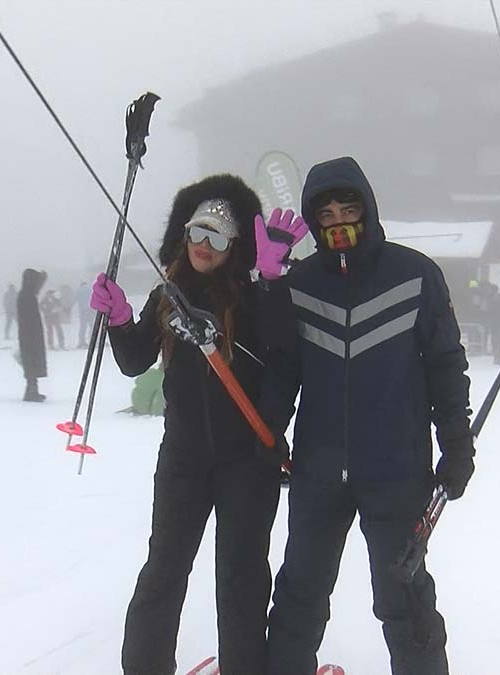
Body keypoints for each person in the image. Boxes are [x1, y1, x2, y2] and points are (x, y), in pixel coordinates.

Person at [265, 157, 475, 674]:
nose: (338, 221)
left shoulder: (415, 274)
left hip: (397, 472)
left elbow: (446, 365)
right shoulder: (300, 284)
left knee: (403, 595)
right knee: (300, 592)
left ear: (368, 208)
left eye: (348, 208)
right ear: (314, 222)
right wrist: (267, 435)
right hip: (318, 471)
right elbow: (280, 371)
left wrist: (457, 443)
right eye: (327, 213)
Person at [91, 174, 302, 674]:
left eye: (219, 238)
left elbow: (286, 350)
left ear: (235, 246)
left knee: (241, 578)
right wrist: (120, 319)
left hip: (248, 461)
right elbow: (134, 360)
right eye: (198, 234)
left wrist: (273, 283)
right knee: (163, 571)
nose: (205, 247)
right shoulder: (170, 294)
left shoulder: (250, 299)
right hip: (183, 459)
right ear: (184, 236)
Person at [17, 268, 48, 402]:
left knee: (32, 361)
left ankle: (32, 389)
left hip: (29, 333)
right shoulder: (26, 296)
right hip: (30, 334)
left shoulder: (26, 294)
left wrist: (42, 278)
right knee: (31, 361)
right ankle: (31, 391)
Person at [76, 281, 95, 349]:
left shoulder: (79, 291)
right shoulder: (90, 290)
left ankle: (82, 341)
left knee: (83, 327)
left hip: (83, 311)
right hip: (90, 310)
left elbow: (76, 300)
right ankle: (94, 339)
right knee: (92, 326)